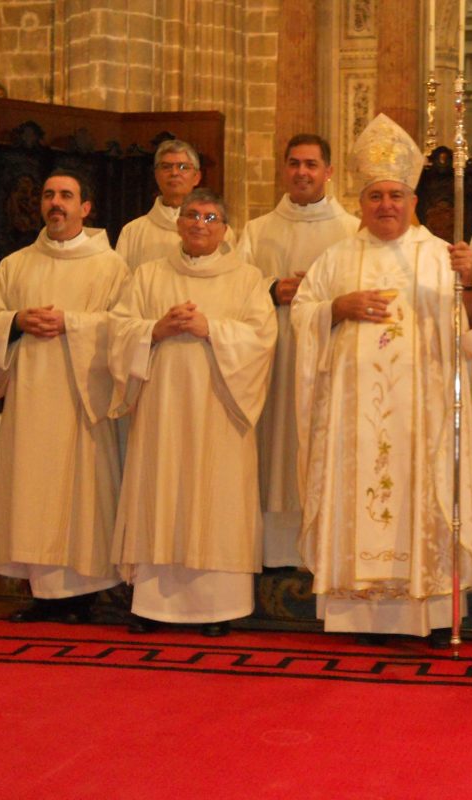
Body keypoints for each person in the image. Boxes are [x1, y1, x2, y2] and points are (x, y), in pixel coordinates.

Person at [290, 114, 472, 645]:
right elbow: (303, 315)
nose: (386, 205)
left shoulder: (440, 258)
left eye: (396, 195)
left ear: (414, 202)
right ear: (361, 203)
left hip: (422, 420)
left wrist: (469, 285)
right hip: (350, 422)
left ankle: (424, 609)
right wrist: (337, 306)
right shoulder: (336, 259)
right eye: (376, 195)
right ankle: (356, 612)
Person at [109, 189, 277, 637]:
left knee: (214, 497)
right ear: (178, 223)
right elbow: (119, 330)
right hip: (161, 407)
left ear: (224, 229)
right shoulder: (148, 276)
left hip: (220, 409)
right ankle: (152, 604)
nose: (200, 223)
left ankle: (218, 607)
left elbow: (262, 339)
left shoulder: (246, 278)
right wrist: (155, 330)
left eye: (211, 217)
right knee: (159, 489)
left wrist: (212, 330)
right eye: (192, 215)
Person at [0, 170, 129, 623]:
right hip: (31, 400)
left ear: (86, 208)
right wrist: (16, 320)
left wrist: (71, 324)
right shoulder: (17, 264)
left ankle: (82, 595)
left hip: (83, 402)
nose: (55, 203)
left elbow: (125, 325)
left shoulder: (110, 266)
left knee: (79, 493)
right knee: (33, 492)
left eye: (66, 196)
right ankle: (43, 594)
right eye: (48, 195)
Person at [237, 134, 359, 570]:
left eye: (311, 165)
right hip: (272, 355)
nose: (302, 172)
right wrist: (272, 289)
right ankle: (274, 553)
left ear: (329, 172)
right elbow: (235, 285)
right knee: (275, 448)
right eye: (294, 164)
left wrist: (323, 294)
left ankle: (324, 550)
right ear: (283, 170)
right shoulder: (256, 231)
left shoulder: (351, 231)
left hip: (327, 355)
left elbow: (363, 288)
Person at [115, 138, 236, 270]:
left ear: (196, 177)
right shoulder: (133, 232)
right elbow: (123, 284)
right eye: (166, 167)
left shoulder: (217, 229)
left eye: (183, 167)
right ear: (156, 175)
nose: (174, 173)